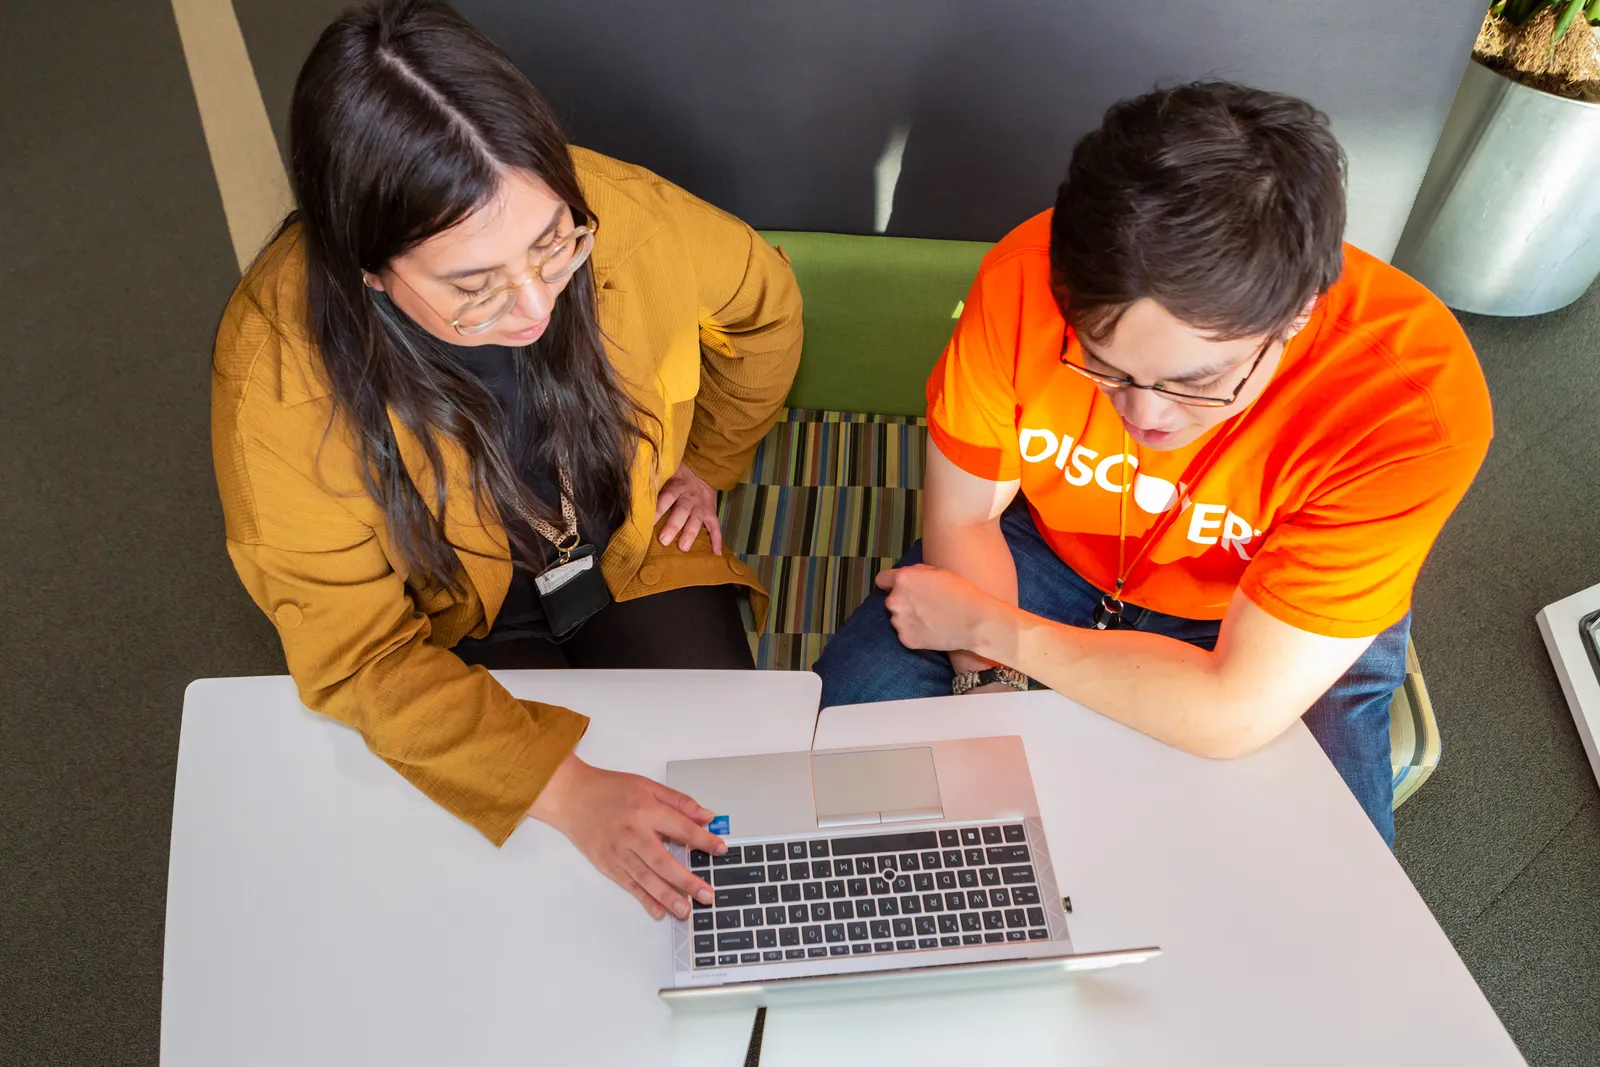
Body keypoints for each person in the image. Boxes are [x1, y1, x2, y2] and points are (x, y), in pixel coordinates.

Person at [211, 0, 802, 919]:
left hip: (637, 552)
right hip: (453, 616)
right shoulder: (277, 382)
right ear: (369, 268)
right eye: (472, 285)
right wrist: (566, 790)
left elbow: (768, 311)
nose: (532, 304)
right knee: (510, 893)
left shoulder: (632, 218)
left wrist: (711, 462)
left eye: (551, 242)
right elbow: (360, 657)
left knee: (727, 820)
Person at [815, 82, 1492, 847]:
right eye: (1101, 366)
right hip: (1048, 550)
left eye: (1197, 382)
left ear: (1299, 311)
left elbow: (1233, 708)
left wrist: (993, 630)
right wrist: (987, 693)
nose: (1144, 418)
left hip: (1262, 615)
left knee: (1317, 875)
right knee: (852, 749)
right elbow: (965, 514)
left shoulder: (1414, 403)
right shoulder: (1023, 275)